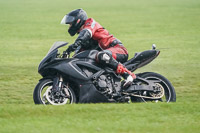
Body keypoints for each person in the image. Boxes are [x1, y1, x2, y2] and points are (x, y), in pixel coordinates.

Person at [61, 9, 136, 87]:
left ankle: (128, 76)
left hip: (118, 49)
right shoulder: (83, 39)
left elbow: (86, 33)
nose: (69, 26)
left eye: (70, 24)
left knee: (102, 56)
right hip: (107, 54)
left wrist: (74, 45)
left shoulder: (90, 24)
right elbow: (78, 55)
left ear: (78, 21)